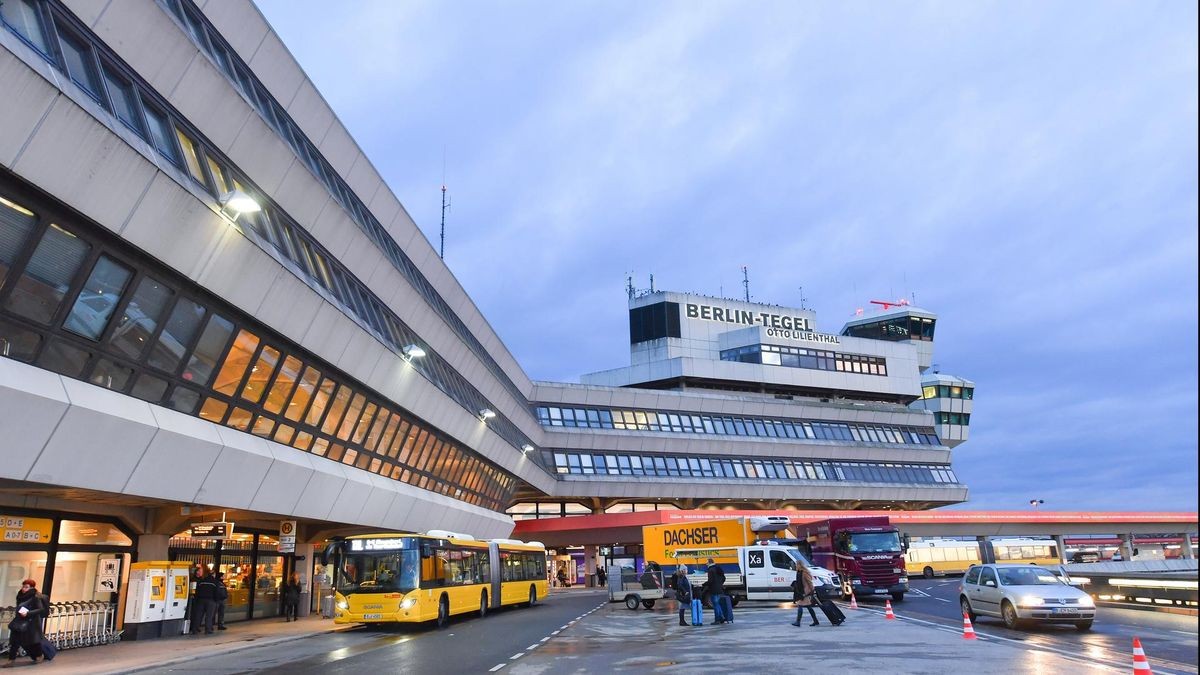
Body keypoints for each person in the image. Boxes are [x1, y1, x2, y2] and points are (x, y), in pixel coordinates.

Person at [4, 578, 48, 666]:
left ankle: (39, 655)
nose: (23, 589)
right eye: (23, 586)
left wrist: (28, 613)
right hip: (19, 621)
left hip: (31, 623)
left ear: (31, 588)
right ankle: (11, 660)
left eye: (26, 587)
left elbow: (40, 609)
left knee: (31, 642)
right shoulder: (20, 596)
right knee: (15, 641)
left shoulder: (35, 596)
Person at [191, 564, 219, 635]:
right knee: (209, 616)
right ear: (213, 575)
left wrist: (198, 598)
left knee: (198, 615)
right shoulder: (215, 582)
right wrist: (216, 600)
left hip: (201, 600)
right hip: (211, 600)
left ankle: (195, 629)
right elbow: (217, 592)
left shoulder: (202, 581)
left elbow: (197, 591)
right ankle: (208, 630)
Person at [792, 562, 819, 627]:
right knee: (808, 607)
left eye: (797, 565)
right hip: (802, 591)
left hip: (805, 592)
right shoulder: (799, 572)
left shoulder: (804, 573)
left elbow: (809, 582)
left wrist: (812, 590)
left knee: (800, 605)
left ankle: (798, 622)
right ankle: (815, 621)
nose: (796, 566)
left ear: (799, 565)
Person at [706, 559, 731, 624]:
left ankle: (717, 620)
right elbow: (724, 578)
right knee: (717, 604)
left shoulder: (711, 570)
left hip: (713, 590)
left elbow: (710, 581)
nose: (706, 564)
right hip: (719, 589)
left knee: (715, 605)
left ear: (710, 563)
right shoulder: (718, 568)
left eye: (707, 562)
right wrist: (720, 584)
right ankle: (722, 617)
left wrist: (704, 584)